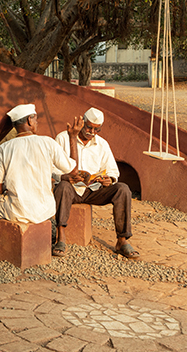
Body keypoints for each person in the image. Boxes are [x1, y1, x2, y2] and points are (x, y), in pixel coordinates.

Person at [0, 104, 80, 256]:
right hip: (45, 210)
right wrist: (73, 137)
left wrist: (6, 187)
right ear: (29, 120)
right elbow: (73, 170)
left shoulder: (4, 148)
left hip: (18, 210)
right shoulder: (48, 143)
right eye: (36, 120)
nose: (37, 123)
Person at [52, 107, 139, 259]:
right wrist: (65, 177)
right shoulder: (63, 138)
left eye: (96, 129)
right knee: (63, 187)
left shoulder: (102, 144)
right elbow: (51, 167)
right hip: (71, 189)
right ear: (82, 122)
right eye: (89, 127)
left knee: (123, 189)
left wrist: (109, 179)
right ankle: (61, 237)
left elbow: (112, 170)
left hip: (93, 190)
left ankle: (122, 240)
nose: (91, 132)